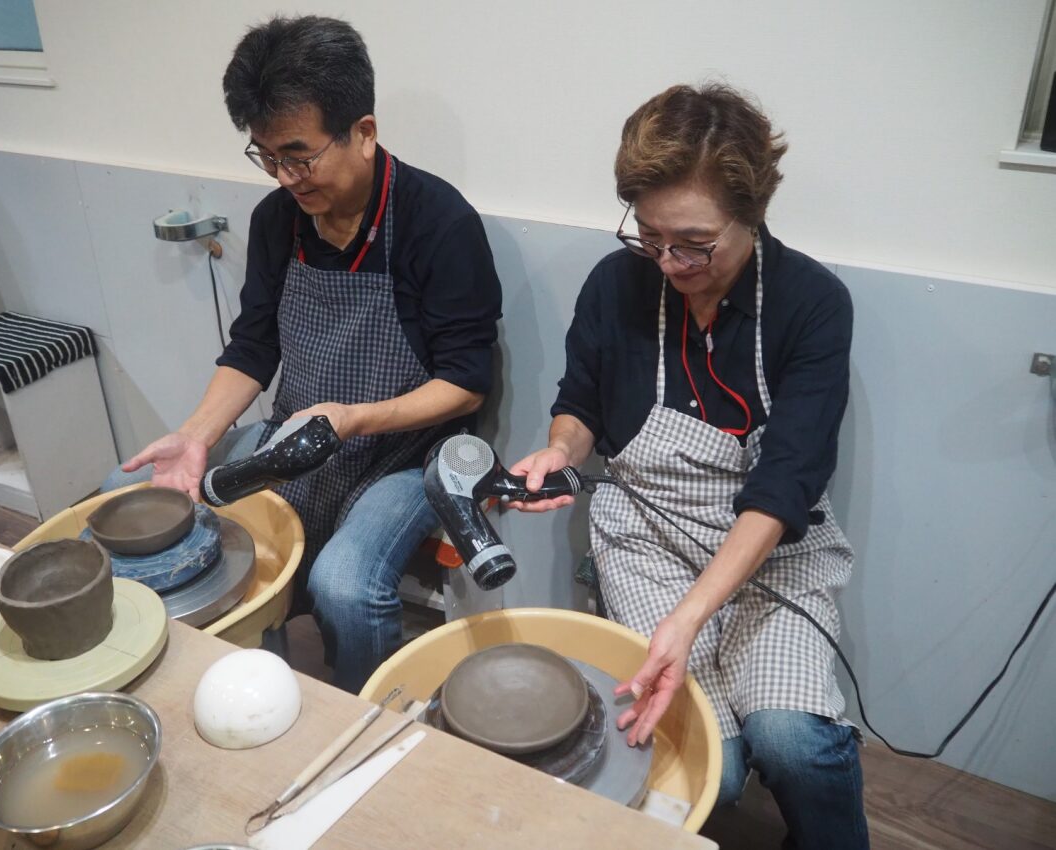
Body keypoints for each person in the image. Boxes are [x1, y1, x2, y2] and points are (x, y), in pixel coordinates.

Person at [509, 83, 868, 849]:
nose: (669, 261)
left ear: (752, 214)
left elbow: (786, 483)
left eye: (694, 243)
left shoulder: (811, 303)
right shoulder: (616, 283)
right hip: (648, 540)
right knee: (715, 767)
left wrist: (689, 618)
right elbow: (580, 404)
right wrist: (560, 449)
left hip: (772, 546)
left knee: (792, 742)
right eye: (649, 235)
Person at [109, 16, 502, 694]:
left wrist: (352, 419)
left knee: (344, 585)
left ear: (363, 132)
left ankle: (361, 713)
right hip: (300, 434)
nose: (286, 177)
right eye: (266, 157)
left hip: (408, 452)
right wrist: (196, 435)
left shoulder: (438, 223)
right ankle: (245, 679)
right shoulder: (277, 221)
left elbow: (466, 383)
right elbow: (253, 346)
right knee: (137, 498)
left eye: (299, 156)